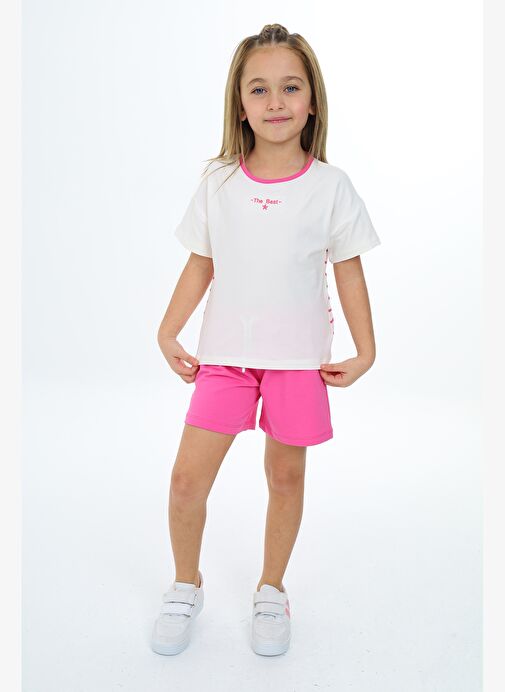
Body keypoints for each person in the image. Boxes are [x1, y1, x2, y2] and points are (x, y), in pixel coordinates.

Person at [151, 23, 381, 657]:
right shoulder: (219, 182)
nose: (275, 101)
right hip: (224, 359)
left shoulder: (331, 187)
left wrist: (365, 350)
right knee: (186, 481)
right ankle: (185, 583)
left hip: (298, 363)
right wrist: (168, 329)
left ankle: (271, 589)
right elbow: (201, 262)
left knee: (285, 477)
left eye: (290, 87)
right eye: (259, 88)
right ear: (240, 103)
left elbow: (349, 272)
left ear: (312, 100)